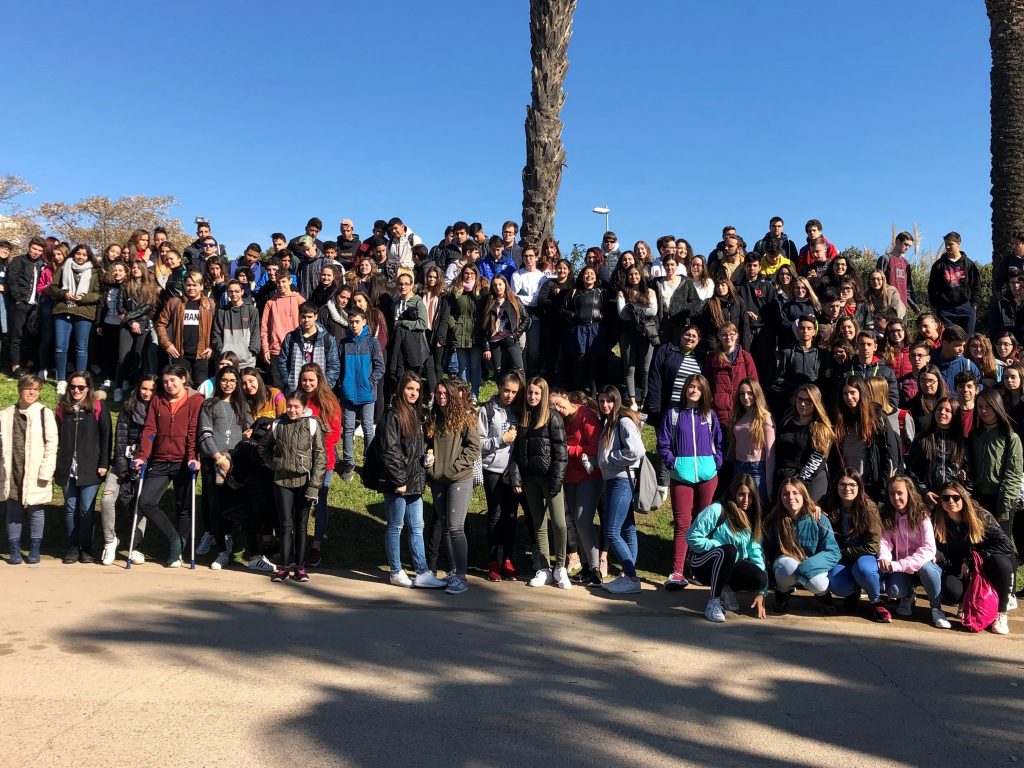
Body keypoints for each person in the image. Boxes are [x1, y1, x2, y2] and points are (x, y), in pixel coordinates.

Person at [377, 371, 447, 589]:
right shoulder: (392, 415)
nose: (414, 393)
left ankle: (423, 572)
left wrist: (426, 459)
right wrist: (399, 480)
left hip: (414, 481)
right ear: (401, 389)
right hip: (397, 482)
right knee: (396, 526)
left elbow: (414, 449)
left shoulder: (416, 415)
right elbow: (390, 450)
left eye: (417, 390)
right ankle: (396, 571)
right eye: (410, 388)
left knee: (417, 526)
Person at [132, 365, 205, 567]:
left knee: (184, 508)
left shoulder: (196, 400)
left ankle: (176, 553)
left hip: (184, 462)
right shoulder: (158, 399)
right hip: (160, 459)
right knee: (146, 501)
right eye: (165, 382)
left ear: (183, 379)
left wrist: (192, 457)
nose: (169, 385)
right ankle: (174, 540)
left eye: (173, 380)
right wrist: (143, 456)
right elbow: (150, 429)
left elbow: (193, 430)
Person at [657, 373, 724, 590]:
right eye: (691, 387)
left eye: (699, 388)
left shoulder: (710, 415)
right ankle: (677, 571)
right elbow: (663, 444)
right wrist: (674, 463)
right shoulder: (673, 414)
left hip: (708, 477)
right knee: (683, 523)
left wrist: (715, 463)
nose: (694, 390)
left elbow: (719, 443)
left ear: (704, 392)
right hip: (681, 477)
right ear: (685, 389)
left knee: (703, 524)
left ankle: (697, 568)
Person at [507, 377, 570, 589]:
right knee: (539, 524)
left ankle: (560, 567)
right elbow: (516, 453)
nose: (532, 397)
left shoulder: (553, 417)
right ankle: (544, 568)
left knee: (559, 524)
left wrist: (556, 480)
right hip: (529, 479)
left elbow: (561, 453)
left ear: (543, 395)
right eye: (529, 393)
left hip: (550, 479)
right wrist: (516, 478)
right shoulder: (523, 417)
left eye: (536, 393)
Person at [932, 482, 1015, 634]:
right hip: (957, 567)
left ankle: (1001, 611)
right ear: (941, 501)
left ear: (964, 498)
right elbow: (939, 551)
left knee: (1002, 563)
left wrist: (972, 560)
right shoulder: (938, 519)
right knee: (951, 591)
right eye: (945, 498)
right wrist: (945, 560)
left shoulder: (980, 516)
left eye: (956, 497)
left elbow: (1006, 545)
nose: (951, 501)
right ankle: (967, 603)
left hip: (985, 564)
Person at [686, 474, 769, 622]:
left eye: (750, 495)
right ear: (733, 492)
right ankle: (713, 602)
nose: (746, 500)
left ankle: (727, 588)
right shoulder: (717, 509)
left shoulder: (752, 517)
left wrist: (762, 591)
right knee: (729, 551)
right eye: (742, 494)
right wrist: (718, 546)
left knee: (760, 578)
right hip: (702, 563)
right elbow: (692, 537)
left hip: (729, 564)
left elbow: (755, 550)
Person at [424, 379, 480, 594]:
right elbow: (428, 444)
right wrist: (428, 462)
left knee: (456, 527)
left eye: (445, 393)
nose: (442, 397)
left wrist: (455, 467)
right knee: (447, 527)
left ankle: (462, 577)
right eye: (438, 393)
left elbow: (474, 447)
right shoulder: (433, 418)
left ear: (453, 395)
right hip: (438, 479)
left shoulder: (465, 417)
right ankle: (454, 571)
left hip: (459, 478)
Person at [267, 391, 326, 583]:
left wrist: (314, 486)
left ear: (304, 408)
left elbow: (320, 456)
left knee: (301, 525)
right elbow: (263, 447)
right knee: (285, 525)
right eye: (289, 406)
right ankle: (284, 567)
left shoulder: (312, 424)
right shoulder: (277, 424)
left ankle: (300, 567)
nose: (292, 410)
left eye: (296, 407)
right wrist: (274, 463)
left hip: (304, 482)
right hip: (282, 482)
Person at [52, 372, 111, 565]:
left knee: (86, 508)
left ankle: (86, 548)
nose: (76, 390)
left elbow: (106, 437)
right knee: (70, 508)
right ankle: (73, 546)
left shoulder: (98, 407)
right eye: (72, 387)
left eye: (81, 387)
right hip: (67, 465)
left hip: (90, 466)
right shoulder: (62, 409)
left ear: (88, 388)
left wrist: (104, 463)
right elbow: (55, 438)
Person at [196, 365, 250, 570]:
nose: (228, 384)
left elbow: (249, 430)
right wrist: (218, 457)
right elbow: (204, 434)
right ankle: (220, 550)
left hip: (235, 461)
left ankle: (229, 541)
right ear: (218, 381)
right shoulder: (209, 404)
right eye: (224, 380)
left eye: (232, 380)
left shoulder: (242, 405)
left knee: (232, 504)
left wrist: (248, 435)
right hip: (213, 461)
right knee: (215, 504)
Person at [100, 375, 157, 565]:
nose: (147, 393)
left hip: (146, 465)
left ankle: (135, 546)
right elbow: (120, 439)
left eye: (151, 390)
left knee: (141, 503)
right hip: (122, 463)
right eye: (144, 388)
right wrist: (123, 467)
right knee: (107, 499)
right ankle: (110, 541)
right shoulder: (128, 407)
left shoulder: (159, 410)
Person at [1, 375, 57, 564]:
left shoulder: (44, 413)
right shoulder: (6, 414)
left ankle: (34, 550)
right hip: (12, 468)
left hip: (35, 469)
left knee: (36, 510)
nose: (32, 392)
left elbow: (52, 444)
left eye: (36, 389)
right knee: (13, 510)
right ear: (20, 389)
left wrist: (46, 470)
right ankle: (14, 551)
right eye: (28, 388)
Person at [763, 477, 840, 614]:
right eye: (785, 494)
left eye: (795, 493)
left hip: (811, 565)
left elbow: (832, 551)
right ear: (780, 497)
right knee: (787, 568)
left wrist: (807, 567)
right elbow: (767, 551)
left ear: (803, 495)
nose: (790, 497)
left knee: (818, 583)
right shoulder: (773, 520)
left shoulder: (819, 518)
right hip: (786, 565)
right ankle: (782, 592)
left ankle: (823, 596)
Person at [550, 388, 603, 586]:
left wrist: (570, 450)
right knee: (575, 521)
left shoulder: (586, 416)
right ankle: (587, 567)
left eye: (558, 404)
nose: (558, 409)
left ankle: (596, 569)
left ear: (566, 397)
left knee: (583, 520)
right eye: (553, 407)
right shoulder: (560, 421)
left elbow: (596, 447)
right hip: (569, 477)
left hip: (589, 476)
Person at [822, 469, 891, 622]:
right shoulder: (828, 501)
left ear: (859, 486)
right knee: (836, 584)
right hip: (843, 555)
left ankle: (876, 601)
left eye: (852, 485)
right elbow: (809, 505)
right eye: (843, 484)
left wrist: (844, 552)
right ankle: (853, 592)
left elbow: (872, 546)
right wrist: (815, 508)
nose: (847, 488)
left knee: (863, 569)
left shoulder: (869, 507)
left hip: (864, 554)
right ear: (836, 486)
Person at [596, 386, 646, 594]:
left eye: (609, 401)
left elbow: (637, 450)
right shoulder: (610, 422)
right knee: (627, 528)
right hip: (615, 479)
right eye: (601, 401)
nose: (605, 405)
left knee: (611, 531)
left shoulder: (623, 421)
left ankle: (631, 578)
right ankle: (628, 576)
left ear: (616, 401)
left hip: (622, 480)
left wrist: (610, 459)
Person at [878, 476, 945, 625]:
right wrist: (884, 556)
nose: (896, 498)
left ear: (909, 493)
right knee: (894, 591)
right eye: (891, 493)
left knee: (928, 570)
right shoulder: (887, 515)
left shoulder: (922, 515)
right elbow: (885, 541)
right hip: (901, 566)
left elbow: (929, 549)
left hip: (921, 564)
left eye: (900, 493)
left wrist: (898, 565)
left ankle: (936, 609)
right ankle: (908, 595)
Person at [478, 372, 524, 581]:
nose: (509, 395)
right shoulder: (487, 410)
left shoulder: (518, 410)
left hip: (512, 471)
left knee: (511, 516)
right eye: (506, 390)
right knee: (495, 515)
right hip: (492, 469)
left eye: (514, 392)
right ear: (499, 388)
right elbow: (478, 443)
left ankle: (507, 559)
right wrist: (500, 440)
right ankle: (493, 561)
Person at [337, 308, 384, 483]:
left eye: (357, 321)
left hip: (367, 394)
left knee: (367, 428)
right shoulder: (344, 343)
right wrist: (342, 384)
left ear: (364, 322)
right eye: (351, 322)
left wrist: (370, 382)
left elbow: (379, 366)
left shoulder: (372, 342)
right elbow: (338, 365)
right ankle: (349, 463)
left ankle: (369, 461)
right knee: (348, 428)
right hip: (348, 393)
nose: (354, 325)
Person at [968, 389, 1023, 538]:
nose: (984, 411)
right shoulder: (975, 435)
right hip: (978, 498)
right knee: (981, 542)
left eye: (989, 406)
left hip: (1001, 498)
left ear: (997, 406)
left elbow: (1013, 475)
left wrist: (1004, 507)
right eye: (980, 406)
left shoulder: (1010, 437)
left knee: (1002, 545)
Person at [834, 378, 900, 500]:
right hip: (847, 486)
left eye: (853, 392)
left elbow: (890, 454)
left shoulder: (877, 418)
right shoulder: (839, 419)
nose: (849, 397)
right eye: (845, 393)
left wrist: (884, 489)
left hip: (871, 486)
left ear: (861, 393)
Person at [50, 244, 101, 395]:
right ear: (73, 254)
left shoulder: (94, 271)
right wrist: (64, 294)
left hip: (83, 312)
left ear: (88, 256)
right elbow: (53, 287)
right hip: (63, 310)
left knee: (81, 348)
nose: (80, 257)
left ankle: (80, 380)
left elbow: (97, 294)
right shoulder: (64, 267)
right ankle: (61, 379)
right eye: (78, 253)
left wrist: (83, 298)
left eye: (84, 255)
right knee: (60, 346)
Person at [773, 384, 835, 502]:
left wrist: (799, 482)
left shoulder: (822, 428)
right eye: (800, 399)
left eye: (808, 401)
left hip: (810, 481)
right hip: (784, 478)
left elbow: (817, 459)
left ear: (816, 403)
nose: (802, 404)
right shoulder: (786, 422)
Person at [155, 271, 216, 387]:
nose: (191, 288)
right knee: (181, 387)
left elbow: (217, 328)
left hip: (202, 355)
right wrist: (167, 344)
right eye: (188, 285)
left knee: (201, 388)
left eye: (195, 285)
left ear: (201, 286)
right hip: (180, 354)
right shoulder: (174, 303)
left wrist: (212, 347)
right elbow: (160, 324)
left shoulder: (211, 304)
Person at [617, 266, 659, 411]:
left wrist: (632, 308)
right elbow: (622, 314)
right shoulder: (622, 293)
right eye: (630, 274)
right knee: (629, 367)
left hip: (646, 333)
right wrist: (641, 310)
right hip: (627, 334)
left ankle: (645, 399)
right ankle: (632, 400)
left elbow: (653, 311)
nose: (633, 277)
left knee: (646, 368)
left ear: (641, 275)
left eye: (636, 274)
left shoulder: (650, 291)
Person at [728, 379, 775, 506]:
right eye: (742, 394)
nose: (745, 397)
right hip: (738, 466)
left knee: (757, 505)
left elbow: (770, 452)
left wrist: (769, 484)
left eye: (750, 393)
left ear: (757, 394)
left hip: (757, 468)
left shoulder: (765, 418)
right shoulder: (737, 415)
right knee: (739, 505)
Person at [562, 265, 607, 396]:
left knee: (593, 361)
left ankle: (593, 392)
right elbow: (562, 309)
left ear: (596, 277)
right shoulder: (574, 292)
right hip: (578, 329)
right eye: (586, 273)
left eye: (592, 273)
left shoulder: (601, 293)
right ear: (582, 276)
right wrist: (573, 315)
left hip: (595, 329)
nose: (589, 276)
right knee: (578, 361)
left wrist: (603, 316)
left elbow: (608, 310)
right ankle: (577, 392)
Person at [277, 302, 341, 392]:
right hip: (295, 389)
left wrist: (325, 386)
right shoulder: (291, 337)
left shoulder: (327, 338)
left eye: (310, 317)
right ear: (299, 317)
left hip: (319, 391)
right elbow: (282, 361)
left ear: (316, 316)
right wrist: (288, 382)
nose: (306, 320)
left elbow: (334, 365)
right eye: (303, 316)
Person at [703, 322, 757, 427]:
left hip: (741, 411)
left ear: (737, 336)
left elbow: (754, 384)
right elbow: (706, 384)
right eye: (724, 334)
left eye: (732, 334)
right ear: (719, 337)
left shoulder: (745, 356)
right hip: (719, 413)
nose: (728, 337)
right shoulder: (712, 357)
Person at [927, 232, 981, 337]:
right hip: (945, 309)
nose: (947, 247)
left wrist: (974, 304)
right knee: (948, 339)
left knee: (967, 339)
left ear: (958, 243)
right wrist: (936, 305)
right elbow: (932, 287)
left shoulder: (969, 264)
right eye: (946, 244)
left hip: (965, 306)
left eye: (950, 244)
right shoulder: (939, 265)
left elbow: (976, 286)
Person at [6, 237, 46, 375]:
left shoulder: (40, 264)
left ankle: (26, 363)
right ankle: (15, 365)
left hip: (34, 305)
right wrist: (18, 299)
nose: (36, 252)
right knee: (16, 335)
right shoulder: (19, 260)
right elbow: (12, 280)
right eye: (34, 249)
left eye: (39, 250)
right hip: (21, 303)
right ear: (29, 247)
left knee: (29, 335)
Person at [260, 271, 304, 389]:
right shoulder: (270, 303)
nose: (281, 285)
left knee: (295, 386)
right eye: (278, 282)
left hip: (295, 348)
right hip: (276, 350)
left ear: (290, 281)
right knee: (277, 386)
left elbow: (306, 323)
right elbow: (264, 328)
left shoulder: (299, 300)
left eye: (284, 281)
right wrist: (265, 348)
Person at [448, 264, 486, 400]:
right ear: (462, 274)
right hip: (460, 332)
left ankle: (474, 395)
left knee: (475, 366)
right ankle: (464, 396)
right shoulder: (456, 290)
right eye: (466, 273)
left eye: (472, 273)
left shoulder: (482, 291)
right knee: (462, 366)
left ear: (476, 275)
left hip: (476, 332)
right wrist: (454, 326)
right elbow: (449, 311)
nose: (469, 276)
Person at [482, 275, 529, 378]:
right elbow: (485, 325)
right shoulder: (489, 301)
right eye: (495, 285)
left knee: (518, 370)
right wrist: (486, 347)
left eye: (500, 284)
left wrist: (516, 334)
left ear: (505, 285)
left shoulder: (515, 300)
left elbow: (526, 319)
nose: (498, 287)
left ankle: (521, 388)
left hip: (510, 338)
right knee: (499, 372)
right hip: (494, 341)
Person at [212, 280, 260, 370]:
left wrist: (251, 352)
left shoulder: (252, 310)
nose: (234, 294)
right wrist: (221, 350)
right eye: (231, 291)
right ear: (227, 293)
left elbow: (255, 333)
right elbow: (216, 334)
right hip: (227, 362)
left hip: (247, 361)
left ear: (242, 292)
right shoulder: (221, 312)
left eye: (237, 291)